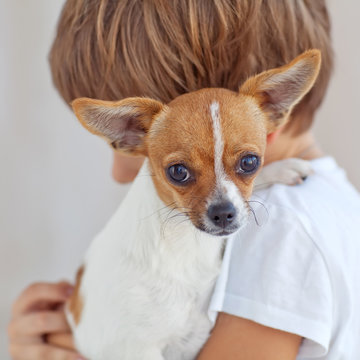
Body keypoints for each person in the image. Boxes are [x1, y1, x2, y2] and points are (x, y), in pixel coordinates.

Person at [8, 1, 360, 359]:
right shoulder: (323, 201)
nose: (116, 172)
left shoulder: (280, 228)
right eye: (182, 172)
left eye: (247, 163)